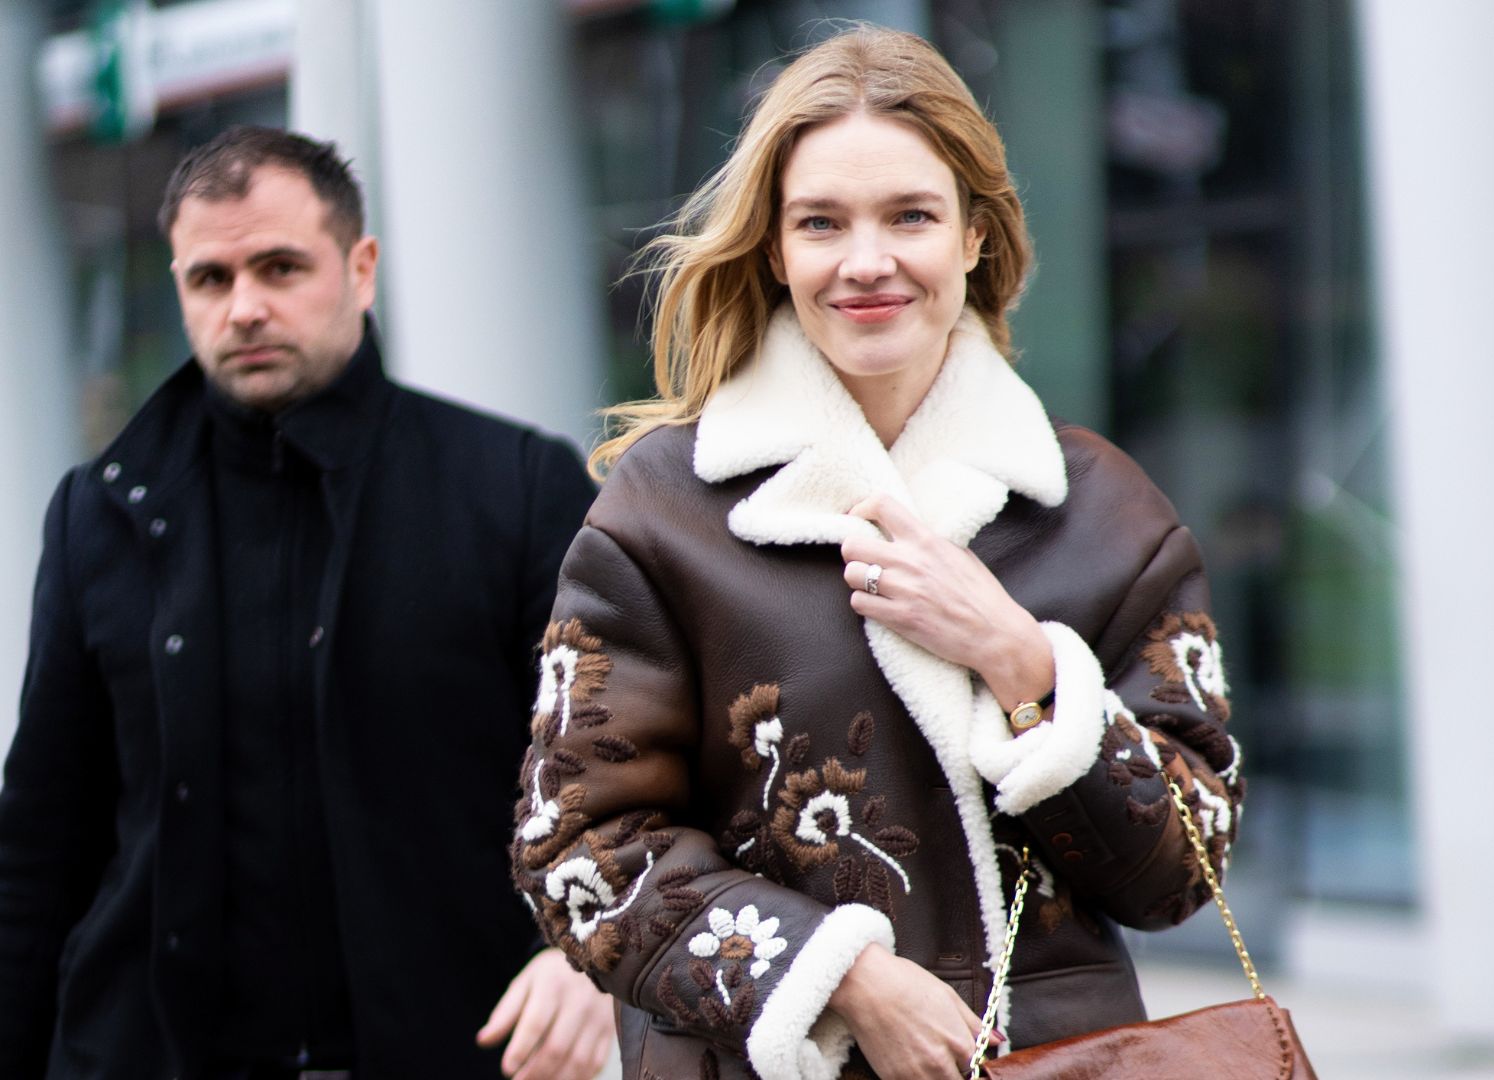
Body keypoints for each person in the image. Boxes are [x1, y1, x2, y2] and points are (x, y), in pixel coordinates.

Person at [509, 26, 1245, 1080]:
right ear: (774, 248)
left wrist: (1024, 666)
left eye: (911, 216)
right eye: (822, 223)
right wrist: (838, 974)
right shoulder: (664, 509)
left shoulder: (1100, 510)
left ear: (976, 238)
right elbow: (575, 850)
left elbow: (1184, 873)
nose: (868, 262)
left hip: (1061, 1056)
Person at [0, 127, 615, 1079]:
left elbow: (627, 771)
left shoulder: (517, 488)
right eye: (211, 279)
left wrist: (590, 957)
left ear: (360, 269)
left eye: (280, 267)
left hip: (457, 1049)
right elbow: (41, 840)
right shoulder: (103, 513)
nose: (245, 308)